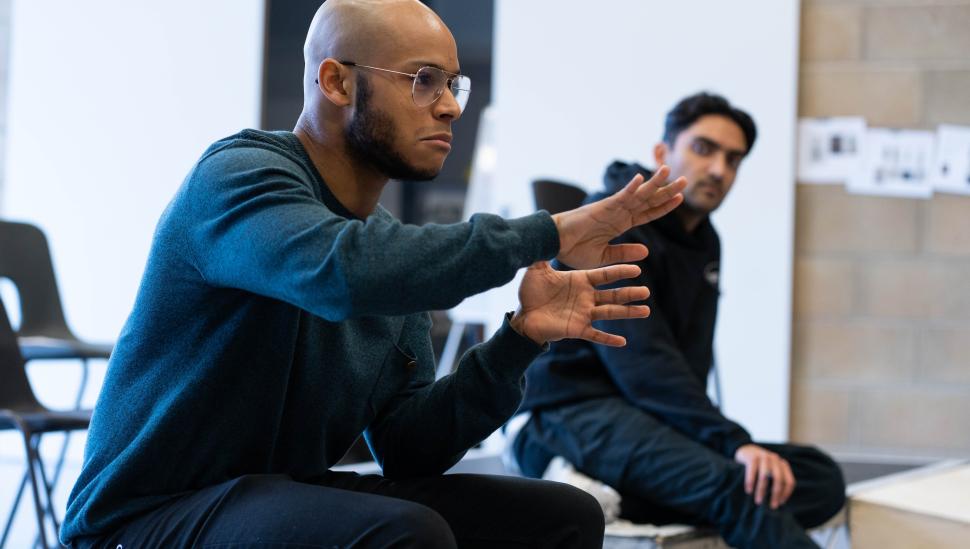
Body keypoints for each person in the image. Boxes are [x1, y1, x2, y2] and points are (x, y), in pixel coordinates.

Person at [59, 1, 688, 547]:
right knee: (404, 533)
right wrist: (551, 231)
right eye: (423, 80)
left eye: (454, 85)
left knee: (562, 515)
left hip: (281, 492)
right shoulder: (240, 178)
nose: (450, 107)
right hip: (144, 517)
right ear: (336, 81)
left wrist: (518, 341)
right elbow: (341, 275)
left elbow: (409, 449)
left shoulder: (385, 250)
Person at [508, 92, 846, 549]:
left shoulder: (705, 240)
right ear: (662, 153)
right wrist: (732, 444)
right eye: (704, 149)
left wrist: (718, 445)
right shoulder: (615, 219)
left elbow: (690, 362)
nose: (719, 170)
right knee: (740, 489)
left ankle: (615, 491)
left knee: (818, 479)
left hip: (640, 416)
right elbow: (644, 366)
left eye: (733, 159)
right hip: (569, 412)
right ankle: (580, 479)